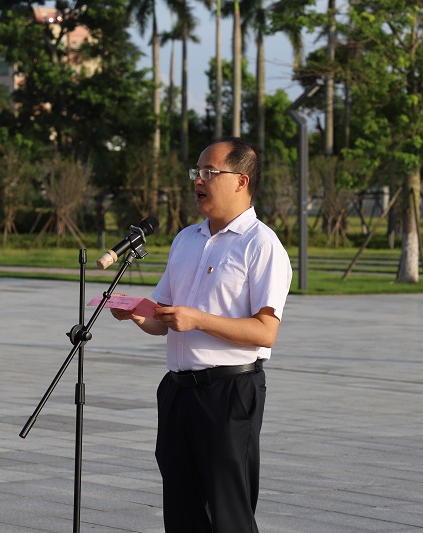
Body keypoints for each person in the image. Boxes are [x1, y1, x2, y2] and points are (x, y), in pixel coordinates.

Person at [111, 137, 292, 532]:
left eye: (210, 172)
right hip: (177, 391)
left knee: (228, 516)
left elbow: (265, 332)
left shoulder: (261, 245)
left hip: (228, 393)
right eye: (197, 171)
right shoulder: (186, 239)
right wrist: (137, 313)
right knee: (182, 513)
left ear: (241, 180)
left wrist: (198, 320)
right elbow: (163, 319)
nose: (198, 180)